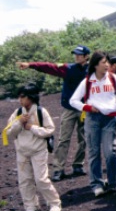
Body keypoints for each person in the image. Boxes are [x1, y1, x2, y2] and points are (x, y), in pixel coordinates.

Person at [16, 45, 90, 181]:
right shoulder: (69, 69)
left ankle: (78, 165)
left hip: (85, 109)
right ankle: (58, 168)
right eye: (75, 54)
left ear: (86, 56)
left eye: (80, 54)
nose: (77, 56)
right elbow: (49, 67)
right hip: (69, 109)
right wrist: (30, 65)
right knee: (64, 139)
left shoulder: (92, 70)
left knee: (84, 139)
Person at [69, 51, 116, 197]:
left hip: (109, 119)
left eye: (107, 62)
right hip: (92, 119)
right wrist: (87, 107)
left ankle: (114, 182)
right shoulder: (88, 81)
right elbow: (73, 100)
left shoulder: (113, 78)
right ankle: (97, 184)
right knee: (94, 152)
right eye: (103, 62)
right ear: (95, 65)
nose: (107, 65)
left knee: (110, 152)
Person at [5, 83, 61, 211]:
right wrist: (19, 123)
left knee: (41, 179)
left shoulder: (41, 112)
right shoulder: (17, 113)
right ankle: (30, 206)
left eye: (23, 97)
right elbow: (9, 133)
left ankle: (54, 202)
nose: (20, 100)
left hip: (38, 150)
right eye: (19, 96)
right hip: (22, 151)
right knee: (24, 180)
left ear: (31, 97)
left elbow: (50, 130)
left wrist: (32, 128)